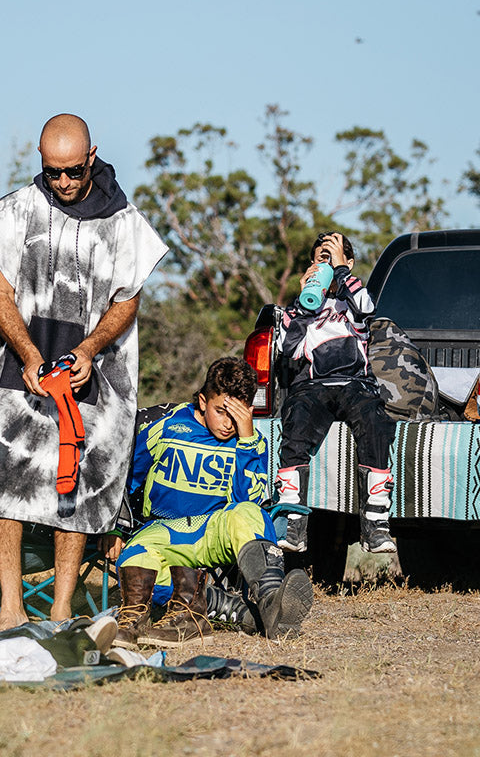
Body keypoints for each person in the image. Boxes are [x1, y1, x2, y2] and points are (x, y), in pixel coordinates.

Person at [0, 113, 168, 630]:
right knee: (4, 477)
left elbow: (126, 303)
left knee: (78, 486)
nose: (62, 182)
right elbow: (0, 294)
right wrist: (29, 354)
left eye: (72, 172)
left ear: (92, 157)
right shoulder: (14, 213)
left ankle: (61, 609)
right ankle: (11, 609)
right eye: (51, 171)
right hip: (23, 362)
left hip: (93, 369)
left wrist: (88, 350)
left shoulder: (124, 222)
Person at [106, 358, 313, 646]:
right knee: (134, 558)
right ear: (203, 401)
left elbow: (251, 502)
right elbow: (126, 479)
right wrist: (115, 528)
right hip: (163, 532)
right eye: (221, 411)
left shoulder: (251, 441)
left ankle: (271, 602)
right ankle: (221, 605)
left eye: (237, 415)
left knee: (249, 513)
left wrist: (248, 438)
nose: (228, 424)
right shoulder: (165, 426)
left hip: (215, 531)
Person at [274, 231, 397, 554]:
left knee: (375, 421)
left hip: (355, 383)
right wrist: (304, 303)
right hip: (313, 385)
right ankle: (293, 522)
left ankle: (375, 523)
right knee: (296, 424)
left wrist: (341, 272)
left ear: (348, 262)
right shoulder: (299, 310)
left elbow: (366, 309)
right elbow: (288, 349)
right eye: (320, 257)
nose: (325, 262)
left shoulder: (352, 299)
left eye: (333, 255)